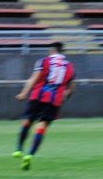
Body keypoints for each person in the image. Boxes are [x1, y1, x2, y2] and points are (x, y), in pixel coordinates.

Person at [14, 42, 76, 171]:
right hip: (54, 101)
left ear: (52, 50)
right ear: (62, 51)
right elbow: (71, 89)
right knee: (42, 126)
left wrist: (24, 93)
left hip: (38, 96)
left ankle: (19, 149)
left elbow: (34, 78)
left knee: (27, 121)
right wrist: (64, 98)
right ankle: (30, 154)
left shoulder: (44, 61)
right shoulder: (70, 67)